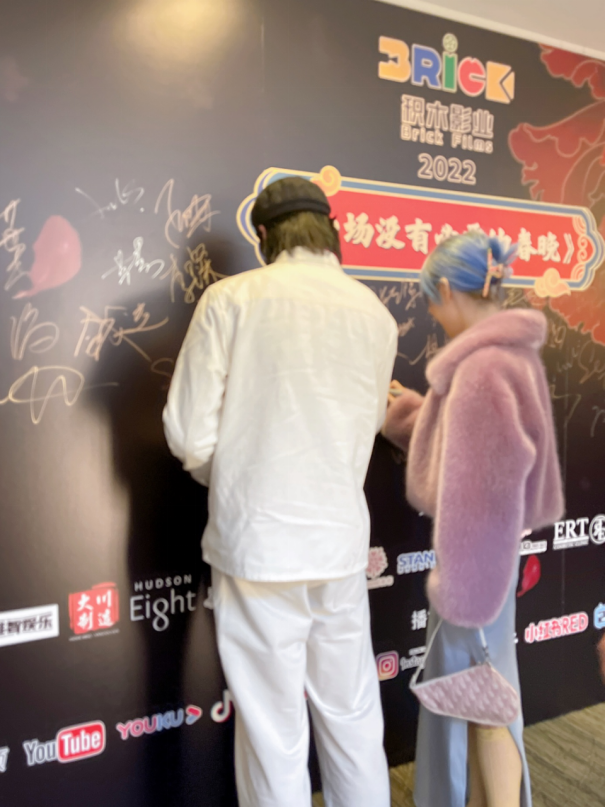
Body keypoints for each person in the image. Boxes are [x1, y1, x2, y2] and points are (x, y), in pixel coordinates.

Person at [163, 176, 398, 807]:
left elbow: (188, 433)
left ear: (264, 234)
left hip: (257, 543)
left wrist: (239, 477)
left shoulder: (232, 299)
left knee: (273, 730)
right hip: (339, 544)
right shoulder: (375, 314)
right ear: (331, 232)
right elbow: (367, 425)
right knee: (353, 715)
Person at [382, 230, 564, 807]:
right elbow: (473, 449)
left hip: (475, 568)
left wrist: (465, 588)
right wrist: (413, 413)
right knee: (484, 699)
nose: (432, 315)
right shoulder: (505, 358)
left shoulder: (480, 369)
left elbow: (482, 485)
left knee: (486, 704)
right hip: (489, 560)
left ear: (445, 289)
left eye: (430, 302)